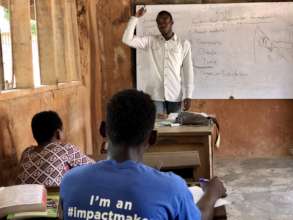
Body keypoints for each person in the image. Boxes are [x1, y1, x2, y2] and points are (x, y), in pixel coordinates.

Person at [60, 89, 226, 220]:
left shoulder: (70, 181)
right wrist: (212, 192)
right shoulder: (171, 187)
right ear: (152, 138)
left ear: (103, 130)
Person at [122, 8, 194, 115]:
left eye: (165, 21)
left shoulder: (183, 44)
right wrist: (135, 18)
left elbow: (188, 72)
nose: (162, 24)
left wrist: (188, 95)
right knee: (157, 129)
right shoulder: (150, 41)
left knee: (175, 129)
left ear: (172, 22)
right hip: (155, 96)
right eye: (159, 22)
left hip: (175, 95)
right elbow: (127, 39)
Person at [17, 111, 94, 187]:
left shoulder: (26, 152)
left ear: (34, 135)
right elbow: (93, 166)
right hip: (53, 198)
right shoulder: (66, 149)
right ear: (58, 133)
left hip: (22, 198)